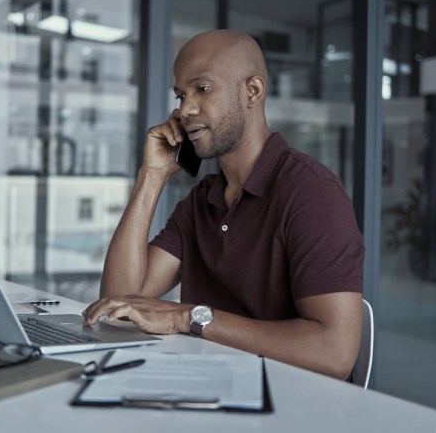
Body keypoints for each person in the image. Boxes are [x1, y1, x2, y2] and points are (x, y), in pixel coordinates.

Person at [82, 29, 365, 380]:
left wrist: (187, 317)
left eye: (202, 89)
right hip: (209, 386)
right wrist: (151, 176)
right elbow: (118, 302)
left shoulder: (312, 193)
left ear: (253, 91)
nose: (185, 110)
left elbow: (334, 353)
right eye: (180, 95)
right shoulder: (202, 201)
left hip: (288, 404)